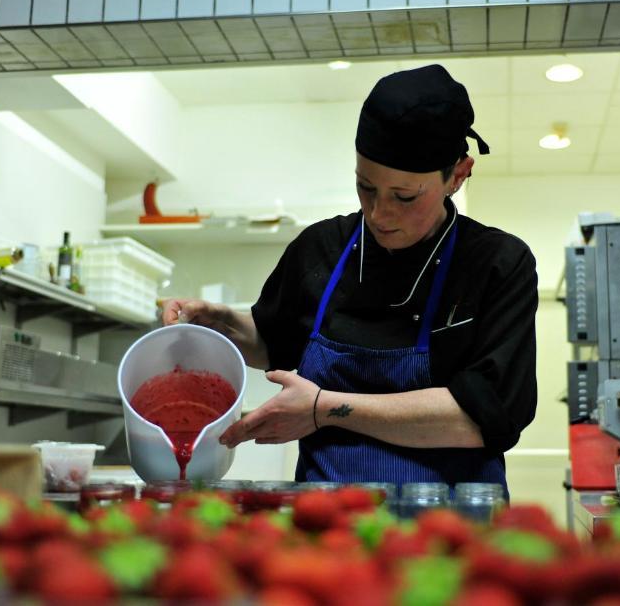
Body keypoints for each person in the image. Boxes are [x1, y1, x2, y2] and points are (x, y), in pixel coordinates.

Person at [162, 64, 537, 492]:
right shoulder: (322, 247)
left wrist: (323, 408)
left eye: (404, 196)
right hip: (330, 525)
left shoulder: (498, 263)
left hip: (452, 528)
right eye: (366, 187)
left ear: (458, 174)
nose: (379, 214)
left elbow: (482, 419)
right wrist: (221, 324)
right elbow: (275, 339)